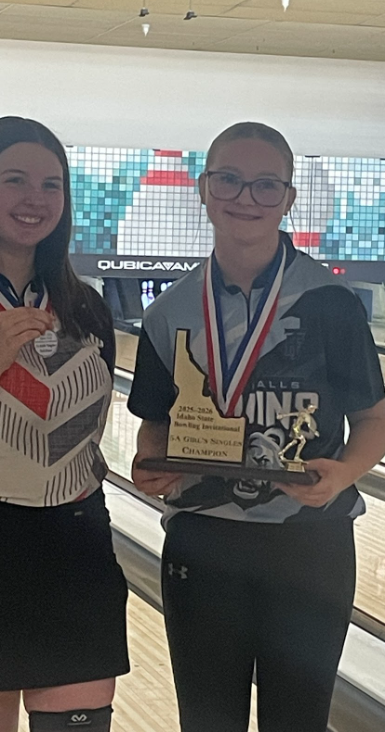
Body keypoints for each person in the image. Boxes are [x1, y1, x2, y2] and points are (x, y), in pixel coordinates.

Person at [129, 121, 385, 732]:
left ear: (288, 198)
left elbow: (374, 424)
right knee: (207, 720)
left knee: (298, 721)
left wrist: (344, 473)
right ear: (203, 188)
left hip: (312, 544)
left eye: (265, 185)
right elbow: (153, 429)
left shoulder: (331, 304)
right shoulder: (168, 311)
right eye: (230, 180)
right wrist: (157, 466)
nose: (246, 198)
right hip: (206, 542)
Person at [0, 117, 129, 732]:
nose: (35, 198)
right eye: (15, 179)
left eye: (51, 185)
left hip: (72, 544)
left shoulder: (86, 308)